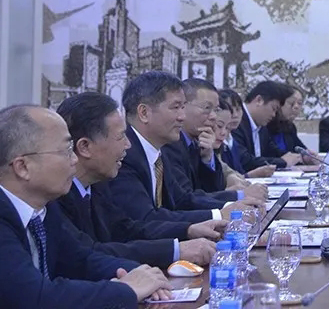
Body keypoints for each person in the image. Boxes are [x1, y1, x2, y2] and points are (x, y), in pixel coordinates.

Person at [0, 105, 172, 308]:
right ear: (22, 167)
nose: (74, 159)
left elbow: (81, 260)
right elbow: (36, 297)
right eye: (65, 151)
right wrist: (126, 290)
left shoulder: (45, 209)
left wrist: (140, 274)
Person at [55, 92, 224, 269]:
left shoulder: (97, 185)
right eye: (120, 137)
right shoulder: (56, 197)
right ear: (85, 147)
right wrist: (175, 251)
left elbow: (126, 229)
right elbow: (88, 254)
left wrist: (188, 230)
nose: (127, 145)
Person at [109, 71, 257, 223]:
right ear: (144, 113)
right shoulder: (123, 155)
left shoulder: (159, 150)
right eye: (176, 107)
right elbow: (145, 220)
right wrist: (220, 214)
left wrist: (229, 208)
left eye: (183, 107)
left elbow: (181, 200)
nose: (182, 116)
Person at [162, 78, 268, 202]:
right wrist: (239, 195)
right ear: (183, 106)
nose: (213, 116)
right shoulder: (170, 144)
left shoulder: (197, 142)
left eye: (216, 110)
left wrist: (208, 158)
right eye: (207, 108)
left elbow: (214, 190)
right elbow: (184, 200)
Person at [232, 80, 299, 169]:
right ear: (259, 100)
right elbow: (244, 160)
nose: (274, 115)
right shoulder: (237, 121)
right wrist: (282, 162)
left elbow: (273, 152)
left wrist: (298, 158)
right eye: (273, 109)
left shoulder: (261, 126)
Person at [218, 89, 274, 183]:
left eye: (238, 109)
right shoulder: (217, 142)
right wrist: (250, 175)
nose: (235, 115)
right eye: (230, 110)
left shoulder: (232, 141)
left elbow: (239, 172)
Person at [262, 86, 319, 165]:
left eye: (299, 103)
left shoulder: (290, 127)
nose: (296, 107)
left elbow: (300, 150)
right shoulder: (264, 125)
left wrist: (307, 157)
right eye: (291, 103)